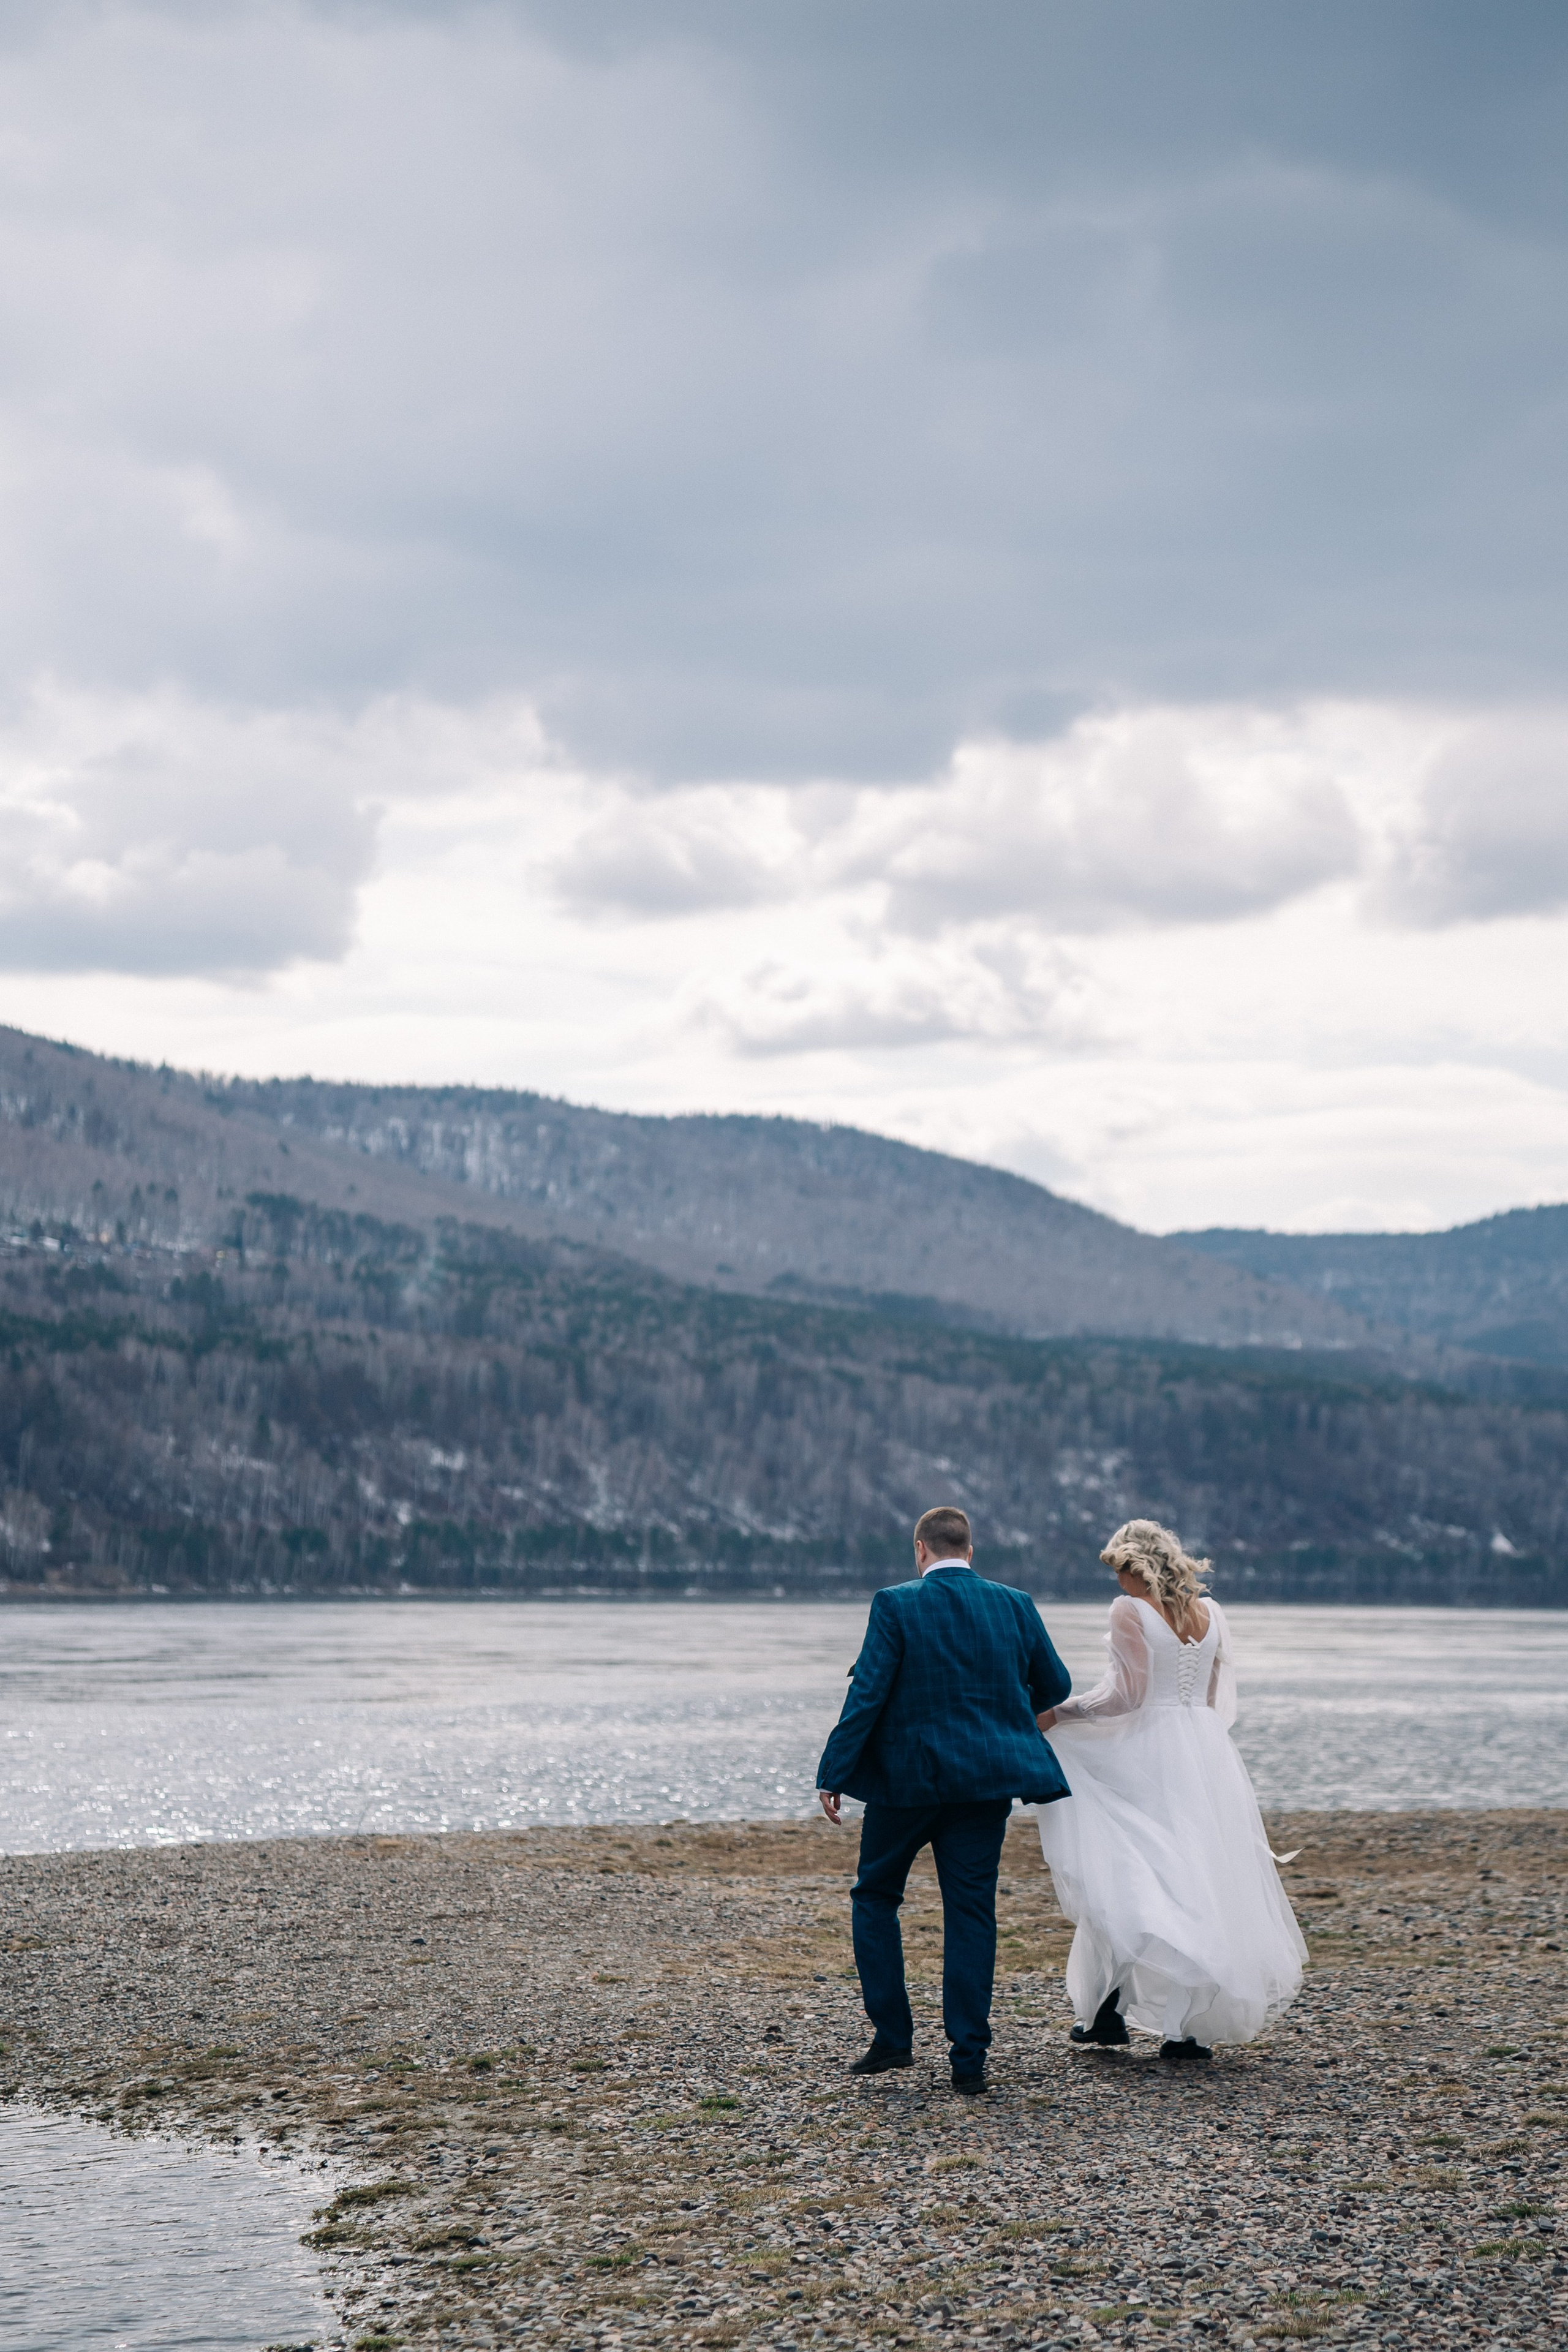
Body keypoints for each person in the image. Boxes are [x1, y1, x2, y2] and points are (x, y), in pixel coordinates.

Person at [816, 1506, 1072, 2094]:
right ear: (970, 1552)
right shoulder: (1015, 1604)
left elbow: (869, 1697)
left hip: (906, 1784)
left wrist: (833, 1772)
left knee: (876, 1896)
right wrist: (1002, 1698)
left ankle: (893, 2039)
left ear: (920, 1550)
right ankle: (969, 2061)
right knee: (972, 1913)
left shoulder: (896, 1603)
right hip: (984, 1785)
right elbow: (1055, 1686)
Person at [1036, 1518, 1306, 2063]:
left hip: (1149, 1751)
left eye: (1120, 1572)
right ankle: (1187, 2029)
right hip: (1203, 1750)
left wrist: (1060, 1714)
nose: (1117, 1584)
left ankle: (1106, 2012)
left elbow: (1127, 1698)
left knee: (1128, 1869)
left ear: (1137, 1567)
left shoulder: (1130, 1611)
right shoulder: (1212, 1615)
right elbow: (1208, 1695)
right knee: (1198, 1874)